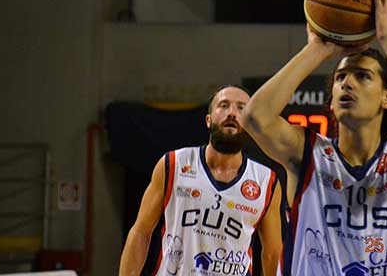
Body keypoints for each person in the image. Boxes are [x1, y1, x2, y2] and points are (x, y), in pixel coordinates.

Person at [241, 0, 387, 275]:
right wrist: (316, 49)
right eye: (340, 78)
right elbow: (254, 117)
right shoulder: (308, 154)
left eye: (362, 76)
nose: (347, 83)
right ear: (331, 100)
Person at [120, 86, 282, 276]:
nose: (232, 112)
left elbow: (272, 253)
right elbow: (141, 232)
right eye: (224, 105)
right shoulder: (174, 163)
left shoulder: (265, 181)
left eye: (241, 108)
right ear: (208, 120)